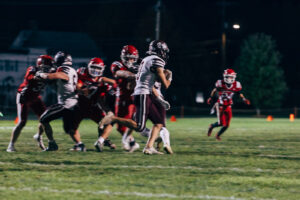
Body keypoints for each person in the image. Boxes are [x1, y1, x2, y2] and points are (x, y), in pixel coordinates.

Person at [99, 40, 172, 155]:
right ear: (160, 51)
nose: (131, 60)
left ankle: (149, 147)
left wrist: (160, 99)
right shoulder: (156, 60)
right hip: (142, 94)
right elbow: (166, 85)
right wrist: (169, 77)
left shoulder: (145, 60)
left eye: (132, 58)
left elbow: (144, 81)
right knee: (139, 125)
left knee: (158, 123)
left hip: (144, 93)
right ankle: (113, 119)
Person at [7, 55, 55, 152]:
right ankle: (10, 145)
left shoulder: (50, 73)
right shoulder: (32, 69)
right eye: (46, 67)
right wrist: (41, 76)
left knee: (45, 119)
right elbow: (30, 78)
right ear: (40, 65)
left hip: (35, 97)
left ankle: (38, 136)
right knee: (22, 122)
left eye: (49, 67)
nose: (48, 69)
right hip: (24, 97)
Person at [38, 51, 84, 151]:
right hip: (72, 103)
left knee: (43, 119)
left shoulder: (64, 69)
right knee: (69, 129)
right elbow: (63, 85)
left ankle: (52, 144)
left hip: (66, 104)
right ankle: (80, 145)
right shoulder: (72, 70)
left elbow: (63, 76)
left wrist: (43, 75)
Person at [74, 57, 116, 152]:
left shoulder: (101, 81)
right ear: (88, 66)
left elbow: (106, 89)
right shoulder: (82, 73)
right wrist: (91, 87)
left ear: (102, 69)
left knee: (105, 122)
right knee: (72, 127)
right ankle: (78, 144)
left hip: (92, 106)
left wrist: (115, 85)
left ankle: (103, 140)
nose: (95, 70)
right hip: (78, 105)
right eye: (93, 67)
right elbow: (79, 88)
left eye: (98, 68)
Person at [110, 45, 140, 151]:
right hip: (122, 97)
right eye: (128, 58)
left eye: (133, 58)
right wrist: (134, 75)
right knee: (120, 127)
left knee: (132, 121)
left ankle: (152, 138)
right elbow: (121, 73)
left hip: (134, 97)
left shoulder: (139, 66)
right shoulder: (117, 64)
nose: (131, 60)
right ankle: (132, 142)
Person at [207, 69, 251, 140]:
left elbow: (239, 93)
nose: (230, 79)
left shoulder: (236, 85)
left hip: (228, 106)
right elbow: (214, 90)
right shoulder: (220, 83)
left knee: (227, 125)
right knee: (221, 123)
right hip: (220, 105)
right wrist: (210, 97)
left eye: (231, 77)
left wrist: (244, 99)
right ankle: (211, 126)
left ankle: (217, 135)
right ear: (225, 77)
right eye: (228, 77)